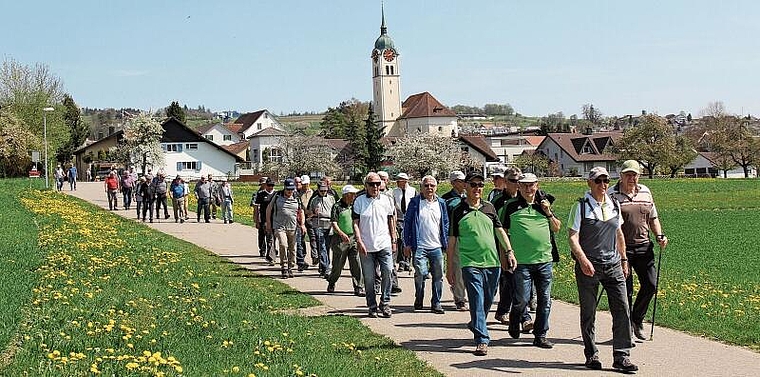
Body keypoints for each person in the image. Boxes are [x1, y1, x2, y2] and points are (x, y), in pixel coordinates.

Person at [568, 166, 637, 372]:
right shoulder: (580, 206)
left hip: (613, 264)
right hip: (589, 266)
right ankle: (592, 355)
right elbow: (572, 237)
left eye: (606, 181)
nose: (603, 185)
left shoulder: (614, 203)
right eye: (598, 181)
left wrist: (624, 260)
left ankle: (622, 356)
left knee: (623, 309)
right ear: (590, 183)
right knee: (589, 312)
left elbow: (619, 234)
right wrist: (583, 260)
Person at [446, 171, 517, 356]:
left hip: (492, 262)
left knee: (487, 298)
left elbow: (500, 231)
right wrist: (450, 268)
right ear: (466, 186)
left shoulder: (489, 207)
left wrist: (509, 251)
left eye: (480, 185)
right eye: (474, 184)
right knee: (476, 299)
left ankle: (476, 323)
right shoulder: (458, 210)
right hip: (470, 263)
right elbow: (452, 241)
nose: (477, 188)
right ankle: (482, 339)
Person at [609, 160, 668, 340]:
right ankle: (625, 328)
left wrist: (659, 235)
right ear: (621, 176)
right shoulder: (612, 194)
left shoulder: (645, 192)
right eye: (627, 174)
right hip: (621, 249)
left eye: (634, 174)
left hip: (644, 246)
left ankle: (637, 319)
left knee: (651, 285)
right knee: (625, 291)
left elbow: (653, 218)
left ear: (639, 176)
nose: (631, 178)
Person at [500, 173, 561, 349]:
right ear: (519, 186)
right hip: (521, 262)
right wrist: (504, 255)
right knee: (522, 299)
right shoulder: (511, 206)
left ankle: (540, 335)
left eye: (532, 185)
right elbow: (502, 230)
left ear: (537, 185)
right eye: (525, 185)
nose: (528, 189)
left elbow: (556, 228)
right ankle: (515, 317)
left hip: (544, 260)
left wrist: (548, 212)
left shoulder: (543, 205)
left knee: (545, 300)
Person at [353, 172, 397, 318]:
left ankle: (385, 303)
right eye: (372, 184)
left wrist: (393, 239)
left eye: (378, 184)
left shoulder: (386, 200)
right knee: (369, 278)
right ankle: (372, 306)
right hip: (366, 245)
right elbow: (355, 223)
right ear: (366, 185)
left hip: (384, 243)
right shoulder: (359, 201)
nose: (375, 187)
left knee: (388, 272)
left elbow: (391, 220)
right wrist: (359, 241)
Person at [403, 175, 448, 314]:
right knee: (421, 274)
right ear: (421, 188)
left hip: (436, 246)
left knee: (438, 276)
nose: (429, 188)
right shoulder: (415, 203)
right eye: (426, 185)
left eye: (432, 186)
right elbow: (408, 223)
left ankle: (436, 303)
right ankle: (419, 298)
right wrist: (407, 243)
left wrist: (445, 242)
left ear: (436, 187)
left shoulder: (441, 203)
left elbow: (445, 223)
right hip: (420, 246)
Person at [326, 184, 365, 296]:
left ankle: (358, 286)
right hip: (340, 239)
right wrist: (341, 233)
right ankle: (332, 282)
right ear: (346, 195)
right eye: (353, 194)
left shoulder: (354, 206)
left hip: (353, 238)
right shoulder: (337, 206)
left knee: (356, 263)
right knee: (338, 265)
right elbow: (333, 222)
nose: (354, 196)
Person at [267, 178, 306, 278]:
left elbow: (301, 211)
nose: (290, 191)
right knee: (283, 244)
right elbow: (269, 209)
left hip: (293, 227)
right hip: (279, 226)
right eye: (288, 189)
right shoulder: (277, 196)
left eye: (292, 189)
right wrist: (268, 224)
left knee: (292, 248)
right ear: (284, 188)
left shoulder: (297, 197)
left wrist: (302, 224)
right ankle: (284, 267)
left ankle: (290, 267)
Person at [441, 170, 469, 311]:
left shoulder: (468, 196)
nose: (464, 183)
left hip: (469, 237)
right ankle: (460, 298)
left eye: (464, 181)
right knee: (457, 268)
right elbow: (443, 221)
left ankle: (462, 292)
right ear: (453, 183)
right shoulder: (446, 199)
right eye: (460, 181)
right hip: (454, 237)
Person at [377, 171, 402, 294]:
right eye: (380, 178)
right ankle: (377, 284)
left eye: (384, 179)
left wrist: (394, 230)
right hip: (377, 232)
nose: (382, 181)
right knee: (377, 262)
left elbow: (394, 212)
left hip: (390, 229)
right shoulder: (371, 194)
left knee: (391, 259)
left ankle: (393, 283)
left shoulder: (391, 194)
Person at [307, 181, 337, 278]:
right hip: (318, 225)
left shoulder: (332, 198)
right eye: (321, 190)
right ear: (318, 190)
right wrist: (314, 213)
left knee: (327, 247)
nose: (323, 192)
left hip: (329, 225)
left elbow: (336, 211)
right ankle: (327, 268)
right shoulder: (314, 200)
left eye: (325, 190)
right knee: (322, 246)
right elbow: (309, 213)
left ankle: (322, 267)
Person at [393, 172, 416, 272]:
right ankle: (402, 261)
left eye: (400, 181)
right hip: (399, 218)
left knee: (408, 240)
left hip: (409, 217)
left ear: (405, 181)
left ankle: (408, 261)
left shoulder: (413, 191)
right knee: (401, 241)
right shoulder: (394, 192)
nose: (398, 183)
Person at [253, 178, 277, 265]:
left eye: (272, 185)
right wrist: (256, 220)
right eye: (269, 185)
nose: (271, 187)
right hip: (264, 220)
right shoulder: (260, 194)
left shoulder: (276, 194)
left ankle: (270, 254)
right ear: (266, 185)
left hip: (275, 219)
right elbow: (256, 208)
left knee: (272, 238)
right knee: (268, 238)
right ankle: (270, 256)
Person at [295, 175, 314, 271]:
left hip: (310, 217)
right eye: (303, 184)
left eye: (306, 184)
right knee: (300, 239)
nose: (304, 186)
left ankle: (314, 256)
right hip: (300, 218)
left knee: (312, 237)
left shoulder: (313, 192)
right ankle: (301, 258)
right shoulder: (297, 193)